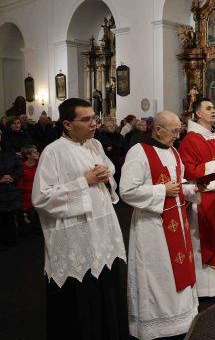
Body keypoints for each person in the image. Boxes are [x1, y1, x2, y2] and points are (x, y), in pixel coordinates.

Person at [32, 98, 128, 339]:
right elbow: (42, 198)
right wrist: (83, 182)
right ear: (67, 124)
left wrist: (106, 175)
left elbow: (109, 172)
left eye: (94, 118)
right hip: (75, 237)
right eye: (86, 119)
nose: (94, 123)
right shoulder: (53, 152)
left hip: (102, 231)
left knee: (105, 290)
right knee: (81, 300)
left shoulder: (95, 144)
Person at [120, 111, 199, 340]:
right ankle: (157, 326)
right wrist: (162, 190)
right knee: (158, 273)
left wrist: (193, 189)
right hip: (152, 226)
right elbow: (127, 190)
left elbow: (178, 185)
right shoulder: (139, 152)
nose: (177, 136)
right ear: (157, 130)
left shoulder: (173, 151)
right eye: (174, 131)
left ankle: (181, 318)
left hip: (177, 221)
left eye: (179, 131)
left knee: (177, 270)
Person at [178, 97, 215, 297]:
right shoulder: (190, 140)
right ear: (198, 113)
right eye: (209, 108)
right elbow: (189, 170)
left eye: (214, 108)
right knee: (205, 240)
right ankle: (206, 289)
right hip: (203, 196)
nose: (214, 111)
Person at [0, 130, 23, 247]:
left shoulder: (8, 150)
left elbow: (19, 167)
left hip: (10, 189)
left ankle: (11, 241)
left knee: (10, 217)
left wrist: (13, 177)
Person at [17, 145, 41, 234]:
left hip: (40, 196)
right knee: (33, 225)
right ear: (28, 155)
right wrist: (35, 188)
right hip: (28, 199)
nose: (38, 153)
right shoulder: (21, 167)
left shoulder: (40, 164)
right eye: (35, 152)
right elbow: (20, 186)